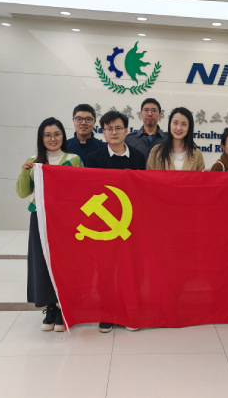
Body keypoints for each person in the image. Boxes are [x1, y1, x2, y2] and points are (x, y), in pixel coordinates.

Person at [16, 117, 83, 332]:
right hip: (40, 217)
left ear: (63, 136)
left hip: (65, 220)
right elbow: (22, 193)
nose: (52, 139)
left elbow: (81, 190)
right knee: (42, 262)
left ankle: (65, 307)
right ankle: (50, 307)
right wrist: (24, 171)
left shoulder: (73, 160)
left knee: (65, 262)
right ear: (41, 138)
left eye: (56, 134)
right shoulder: (34, 161)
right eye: (47, 135)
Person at [85, 111, 145, 333]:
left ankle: (129, 311)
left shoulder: (138, 157)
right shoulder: (93, 159)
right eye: (109, 128)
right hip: (105, 225)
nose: (114, 132)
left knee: (131, 269)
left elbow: (143, 191)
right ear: (102, 131)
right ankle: (107, 313)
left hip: (131, 223)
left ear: (127, 130)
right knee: (106, 270)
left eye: (118, 128)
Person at [146, 107, 205, 171]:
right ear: (170, 124)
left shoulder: (197, 154)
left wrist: (206, 174)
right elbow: (149, 176)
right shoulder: (156, 151)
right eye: (175, 123)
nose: (178, 128)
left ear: (189, 127)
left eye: (184, 124)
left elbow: (200, 177)